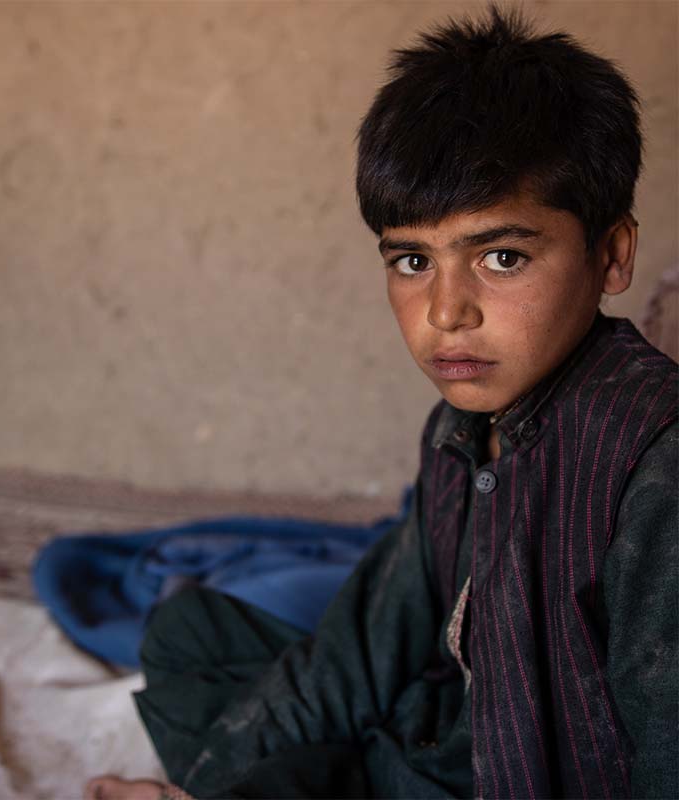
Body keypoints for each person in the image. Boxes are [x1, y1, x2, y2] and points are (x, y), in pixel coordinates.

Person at [85, 6, 678, 799]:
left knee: (307, 766)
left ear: (611, 255)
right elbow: (366, 643)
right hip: (433, 736)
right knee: (188, 634)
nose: (445, 311)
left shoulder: (652, 462)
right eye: (411, 260)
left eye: (502, 257)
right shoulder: (460, 429)